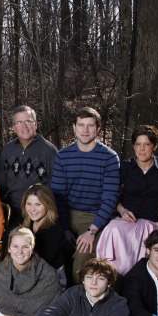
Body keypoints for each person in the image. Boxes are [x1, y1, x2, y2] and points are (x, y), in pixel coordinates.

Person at [50, 107, 120, 282]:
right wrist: (64, 228)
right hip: (65, 214)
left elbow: (110, 199)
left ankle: (77, 297)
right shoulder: (63, 156)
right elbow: (58, 195)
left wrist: (92, 230)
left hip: (94, 217)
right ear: (74, 127)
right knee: (49, 246)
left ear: (98, 129)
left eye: (90, 126)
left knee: (82, 255)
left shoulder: (109, 158)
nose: (85, 130)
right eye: (81, 125)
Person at [96, 125, 158, 275]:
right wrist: (122, 210)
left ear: (155, 146)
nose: (142, 149)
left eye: (147, 144)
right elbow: (111, 193)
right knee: (112, 229)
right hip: (126, 221)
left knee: (141, 260)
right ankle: (109, 278)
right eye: (138, 144)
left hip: (149, 223)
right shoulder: (125, 167)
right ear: (133, 146)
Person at [0, 106, 57, 227]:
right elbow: (0, 184)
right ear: (13, 128)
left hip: (39, 215)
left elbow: (55, 187)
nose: (24, 126)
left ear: (35, 124)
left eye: (28, 121)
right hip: (13, 213)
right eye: (19, 122)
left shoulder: (49, 150)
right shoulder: (8, 150)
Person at [21, 184, 66, 287]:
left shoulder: (55, 230)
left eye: (38, 204)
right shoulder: (26, 222)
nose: (32, 209)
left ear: (48, 205)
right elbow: (6, 238)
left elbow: (43, 263)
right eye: (29, 204)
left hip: (50, 278)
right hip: (27, 270)